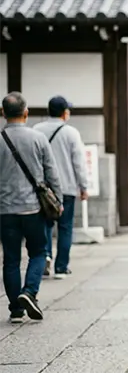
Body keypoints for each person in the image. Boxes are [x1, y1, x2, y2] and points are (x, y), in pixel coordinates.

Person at [0, 92, 62, 322]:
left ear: (2, 113)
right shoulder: (37, 138)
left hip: (5, 210)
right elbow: (52, 174)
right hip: (33, 208)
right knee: (38, 252)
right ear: (26, 113)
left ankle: (16, 308)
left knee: (11, 259)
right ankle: (29, 292)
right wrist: (59, 201)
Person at [33, 96, 89, 279]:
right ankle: (61, 267)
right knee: (65, 227)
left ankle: (46, 256)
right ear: (64, 113)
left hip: (43, 190)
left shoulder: (36, 131)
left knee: (45, 226)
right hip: (67, 187)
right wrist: (84, 186)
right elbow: (78, 162)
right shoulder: (71, 133)